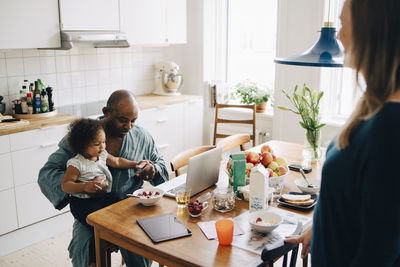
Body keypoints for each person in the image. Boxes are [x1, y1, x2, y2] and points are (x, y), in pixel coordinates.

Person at [285, 0, 400, 266]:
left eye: (343, 23)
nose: (339, 35)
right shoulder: (373, 106)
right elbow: (358, 203)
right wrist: (320, 228)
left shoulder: (390, 128)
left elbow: (380, 250)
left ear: (370, 30)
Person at [38, 90, 169, 267]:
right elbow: (47, 172)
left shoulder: (142, 136)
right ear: (107, 112)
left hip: (128, 209)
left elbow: (158, 162)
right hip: (91, 211)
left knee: (141, 246)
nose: (129, 127)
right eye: (123, 120)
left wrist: (152, 170)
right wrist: (83, 184)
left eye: (133, 121)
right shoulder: (83, 136)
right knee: (82, 248)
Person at [61, 118, 148, 228]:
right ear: (82, 145)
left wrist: (136, 164)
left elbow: (117, 161)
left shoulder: (102, 155)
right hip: (83, 203)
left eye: (104, 142)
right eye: (97, 144)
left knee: (119, 214)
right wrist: (85, 186)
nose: (102, 147)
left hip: (101, 197)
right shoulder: (77, 164)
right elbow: (66, 185)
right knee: (100, 225)